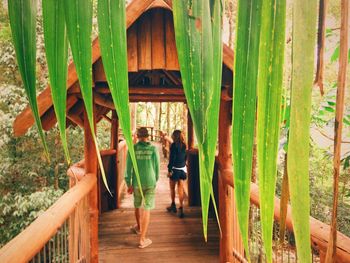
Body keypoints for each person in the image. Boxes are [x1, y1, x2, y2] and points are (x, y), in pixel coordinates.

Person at [125, 127, 160, 249]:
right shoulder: (153, 149)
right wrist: (155, 179)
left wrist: (128, 183)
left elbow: (128, 168)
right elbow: (157, 168)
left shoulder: (132, 149)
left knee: (137, 205)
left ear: (137, 136)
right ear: (148, 136)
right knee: (147, 208)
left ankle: (139, 228)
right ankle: (142, 239)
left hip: (137, 182)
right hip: (150, 181)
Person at [166, 130, 187, 218]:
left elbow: (172, 159)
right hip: (182, 170)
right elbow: (185, 157)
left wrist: (169, 169)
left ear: (174, 136)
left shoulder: (173, 146)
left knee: (172, 188)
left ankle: (173, 205)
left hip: (175, 170)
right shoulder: (184, 145)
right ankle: (181, 208)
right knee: (180, 189)